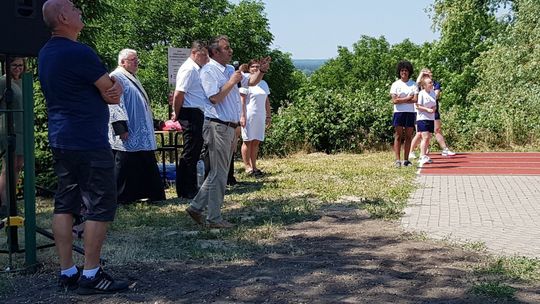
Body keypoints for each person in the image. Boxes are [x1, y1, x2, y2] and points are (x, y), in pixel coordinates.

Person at [39, 0, 129, 294]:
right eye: (75, 8)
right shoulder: (79, 52)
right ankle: (91, 274)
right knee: (100, 205)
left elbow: (102, 89)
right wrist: (115, 86)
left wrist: (107, 87)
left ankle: (67, 272)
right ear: (64, 17)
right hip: (88, 140)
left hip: (61, 138)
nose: (80, 11)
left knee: (65, 204)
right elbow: (112, 94)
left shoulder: (45, 53)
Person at [185, 35, 269, 229]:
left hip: (230, 127)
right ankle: (213, 218)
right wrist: (232, 81)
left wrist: (261, 71)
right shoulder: (208, 71)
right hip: (217, 125)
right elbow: (214, 97)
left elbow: (251, 82)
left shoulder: (230, 69)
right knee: (219, 173)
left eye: (230, 47)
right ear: (215, 52)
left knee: (219, 172)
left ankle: (196, 207)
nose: (230, 51)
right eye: (226, 48)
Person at [108, 49, 165, 204]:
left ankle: (148, 194)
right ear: (122, 62)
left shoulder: (131, 77)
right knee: (124, 163)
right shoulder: (116, 76)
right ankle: (120, 197)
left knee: (144, 162)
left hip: (140, 128)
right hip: (128, 129)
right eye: (132, 59)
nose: (136, 62)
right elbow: (115, 104)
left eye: (136, 59)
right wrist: (121, 128)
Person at [173, 40, 209, 199]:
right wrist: (177, 113)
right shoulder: (188, 69)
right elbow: (179, 94)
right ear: (194, 53)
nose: (206, 59)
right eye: (203, 55)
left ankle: (191, 185)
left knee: (195, 151)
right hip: (190, 112)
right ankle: (185, 188)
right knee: (190, 151)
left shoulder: (197, 69)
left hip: (197, 111)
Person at [409, 68, 456, 158]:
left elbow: (437, 94)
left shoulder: (434, 84)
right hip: (421, 113)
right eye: (426, 74)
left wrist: (431, 88)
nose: (428, 74)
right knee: (420, 134)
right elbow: (417, 85)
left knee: (436, 130)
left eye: (430, 73)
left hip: (433, 112)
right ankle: (412, 152)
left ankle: (444, 149)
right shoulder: (420, 86)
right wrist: (421, 74)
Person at [0, 58, 25, 217]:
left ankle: (12, 199)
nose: (18, 68)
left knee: (18, 165)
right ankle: (4, 204)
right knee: (8, 165)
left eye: (20, 65)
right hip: (8, 128)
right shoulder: (3, 81)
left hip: (22, 128)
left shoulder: (23, 82)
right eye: (14, 65)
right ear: (7, 66)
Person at [240, 59, 271, 176]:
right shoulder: (246, 82)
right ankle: (247, 166)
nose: (255, 68)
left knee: (256, 141)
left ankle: (254, 166)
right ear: (249, 68)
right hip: (248, 115)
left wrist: (268, 116)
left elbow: (266, 101)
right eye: (253, 66)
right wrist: (242, 116)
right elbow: (242, 101)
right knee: (247, 140)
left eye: (258, 66)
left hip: (260, 115)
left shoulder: (263, 83)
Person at [390, 60, 418, 168]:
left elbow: (415, 99)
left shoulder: (413, 84)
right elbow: (394, 101)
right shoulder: (395, 84)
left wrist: (401, 99)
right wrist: (407, 98)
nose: (404, 72)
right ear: (399, 72)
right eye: (402, 70)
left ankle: (406, 160)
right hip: (399, 113)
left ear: (409, 72)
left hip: (410, 112)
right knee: (398, 135)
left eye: (406, 70)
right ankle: (397, 160)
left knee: (408, 136)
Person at [415, 77, 437, 166]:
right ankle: (422, 156)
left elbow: (435, 105)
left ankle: (424, 155)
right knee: (425, 137)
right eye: (430, 83)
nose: (432, 84)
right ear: (424, 85)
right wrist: (427, 110)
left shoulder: (433, 93)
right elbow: (417, 106)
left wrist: (434, 109)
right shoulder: (421, 94)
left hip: (431, 118)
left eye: (432, 82)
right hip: (422, 118)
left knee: (429, 137)